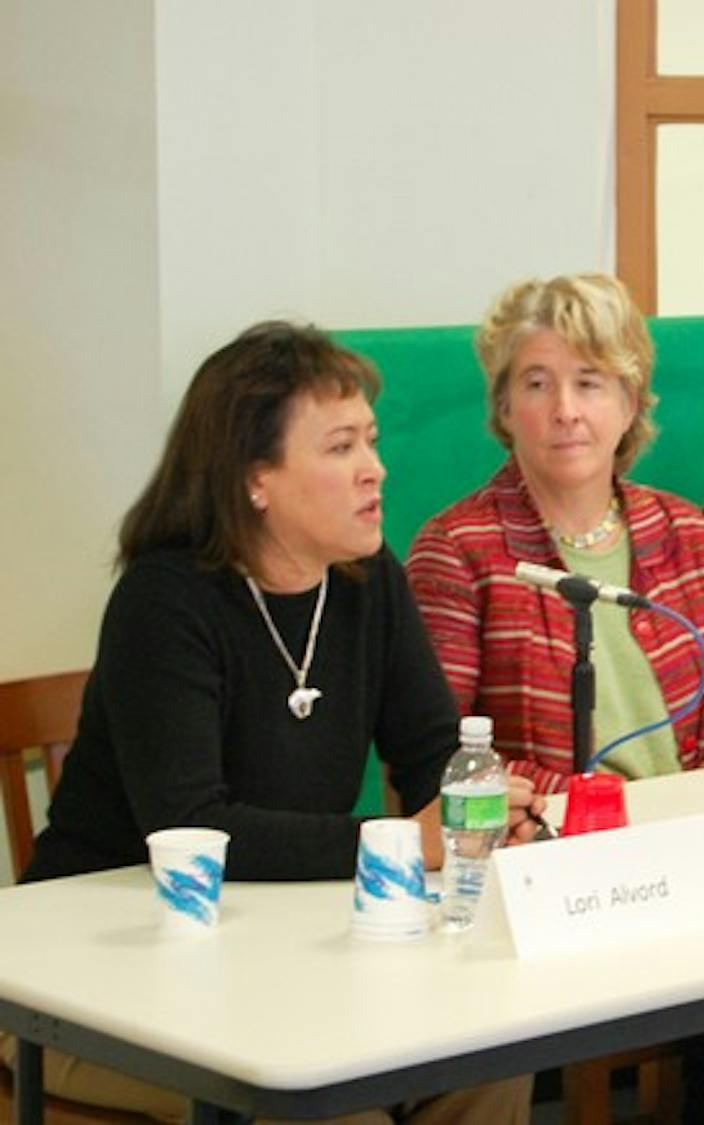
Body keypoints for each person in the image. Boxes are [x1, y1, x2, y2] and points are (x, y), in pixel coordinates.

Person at [5, 322, 543, 1124]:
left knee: (486, 1059)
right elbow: (193, 822)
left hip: (275, 949)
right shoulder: (165, 601)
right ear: (255, 478)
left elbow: (433, 751)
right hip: (94, 974)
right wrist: (405, 840)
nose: (375, 468)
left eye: (371, 440)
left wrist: (484, 811)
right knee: (326, 1108)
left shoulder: (368, 581)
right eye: (340, 447)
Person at [404, 274, 704, 1122]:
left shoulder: (684, 531)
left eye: (590, 382)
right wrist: (609, 816)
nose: (566, 410)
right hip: (552, 865)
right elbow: (448, 755)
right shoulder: (458, 547)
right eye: (537, 384)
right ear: (505, 408)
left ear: (630, 401)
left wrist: (691, 809)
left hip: (695, 846)